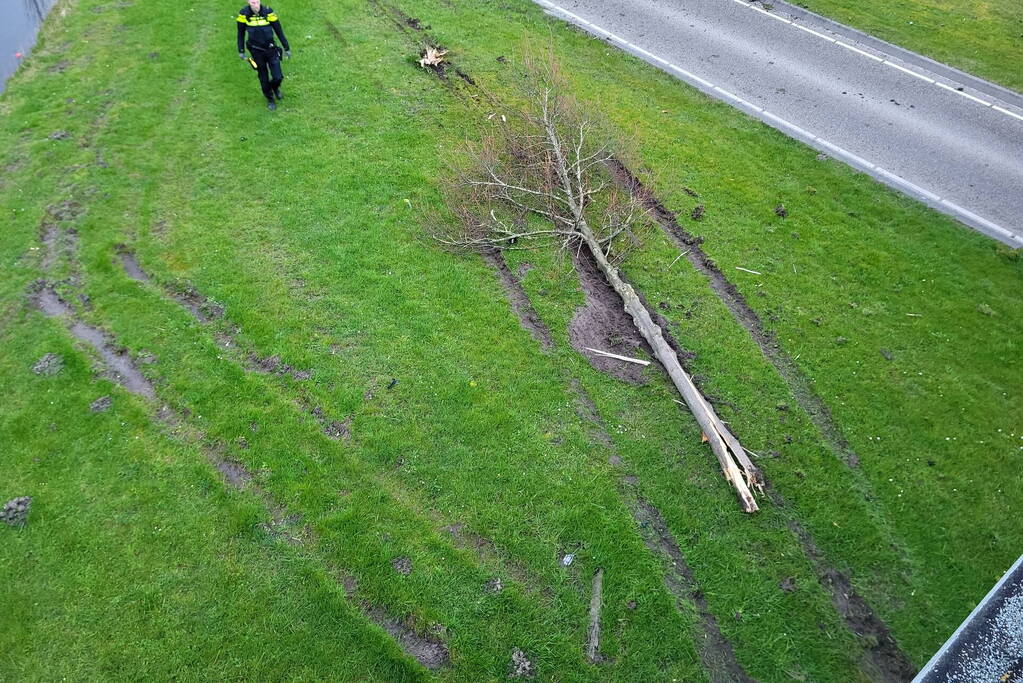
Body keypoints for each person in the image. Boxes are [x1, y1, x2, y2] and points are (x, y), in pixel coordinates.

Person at [236, 0, 291, 110]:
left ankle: (275, 88)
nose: (255, 4)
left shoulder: (268, 11)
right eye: (252, 2)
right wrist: (241, 50)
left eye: (257, 1)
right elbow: (240, 34)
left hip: (271, 49)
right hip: (256, 52)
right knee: (263, 77)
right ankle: (270, 99)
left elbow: (279, 30)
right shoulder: (243, 14)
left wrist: (286, 48)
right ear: (248, 2)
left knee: (278, 76)